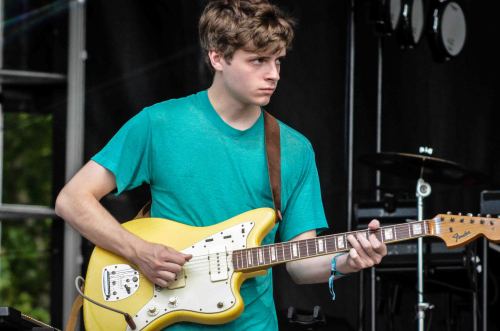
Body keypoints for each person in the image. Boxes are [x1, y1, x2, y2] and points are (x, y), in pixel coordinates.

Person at [55, 0, 387, 330]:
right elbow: (72, 200)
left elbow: (299, 265)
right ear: (217, 57)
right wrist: (140, 251)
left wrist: (346, 262)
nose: (273, 74)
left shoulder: (294, 149)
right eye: (258, 60)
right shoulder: (159, 124)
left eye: (277, 61)